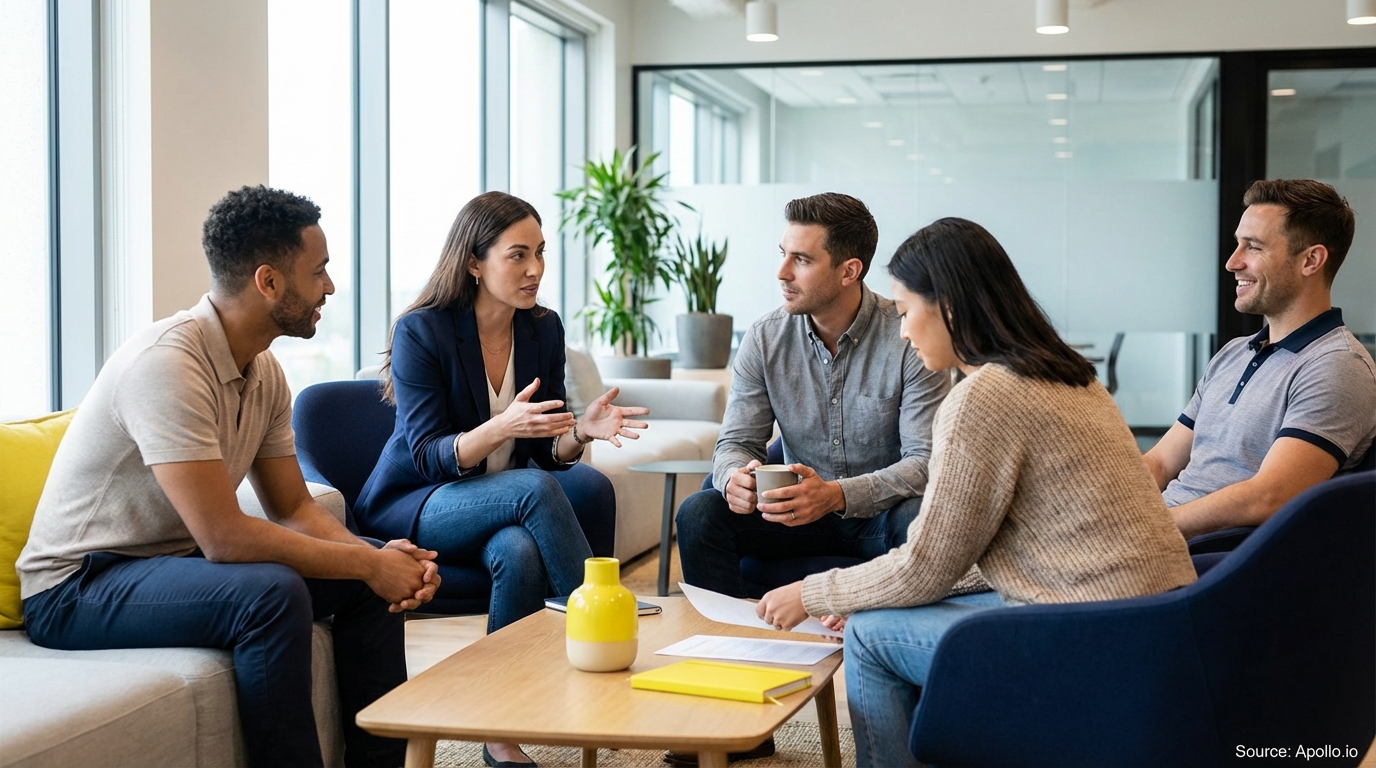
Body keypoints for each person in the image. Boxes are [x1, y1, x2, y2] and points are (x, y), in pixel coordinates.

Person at [17, 185, 438, 768]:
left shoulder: (263, 371)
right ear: (268, 282)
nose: (330, 288)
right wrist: (370, 562)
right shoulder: (168, 364)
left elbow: (294, 507)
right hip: (76, 587)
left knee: (364, 583)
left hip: (168, 565)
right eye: (319, 273)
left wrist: (379, 561)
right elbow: (224, 537)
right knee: (272, 593)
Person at [755, 217, 1198, 768]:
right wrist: (871, 591)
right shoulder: (1070, 376)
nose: (902, 332)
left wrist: (815, 593)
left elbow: (927, 566)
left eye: (905, 312)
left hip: (1092, 641)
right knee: (888, 610)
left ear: (949, 309)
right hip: (1164, 625)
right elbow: (982, 552)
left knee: (869, 636)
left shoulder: (982, 399)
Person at [354, 190, 646, 768]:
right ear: (473, 262)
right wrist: (501, 424)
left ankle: (497, 729)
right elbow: (429, 454)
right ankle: (599, 631)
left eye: (540, 253)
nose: (534, 269)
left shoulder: (542, 329)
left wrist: (579, 432)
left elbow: (543, 455)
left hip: (502, 502)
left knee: (517, 546)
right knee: (535, 496)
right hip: (418, 500)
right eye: (517, 255)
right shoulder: (423, 331)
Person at [675, 192, 951, 600]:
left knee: (920, 519)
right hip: (795, 519)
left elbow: (924, 462)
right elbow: (736, 442)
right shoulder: (765, 338)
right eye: (783, 254)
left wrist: (836, 495)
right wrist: (732, 476)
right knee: (699, 513)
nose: (782, 272)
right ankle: (724, 642)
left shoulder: (909, 334)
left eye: (801, 260)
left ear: (849, 271)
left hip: (882, 515)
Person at [1143, 179, 1376, 540]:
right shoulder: (1234, 353)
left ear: (1311, 260)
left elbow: (1269, 497)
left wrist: (1148, 531)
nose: (1232, 262)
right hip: (1162, 542)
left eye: (1253, 247)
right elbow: (1159, 463)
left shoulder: (1336, 367)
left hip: (1214, 563)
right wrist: (1102, 508)